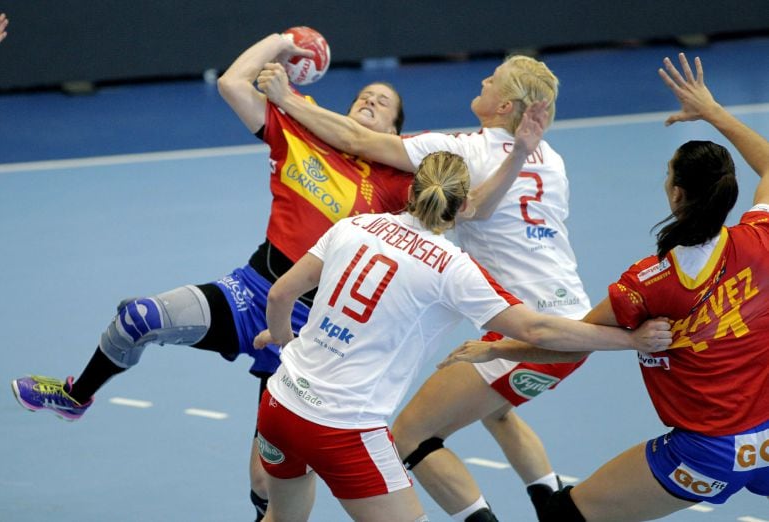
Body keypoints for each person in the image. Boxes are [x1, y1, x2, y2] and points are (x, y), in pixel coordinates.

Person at [10, 31, 415, 521]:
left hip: (307, 334)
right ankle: (76, 395)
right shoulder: (301, 130)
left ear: (396, 128)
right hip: (249, 292)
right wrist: (281, 39)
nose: (370, 100)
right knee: (138, 320)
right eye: (364, 96)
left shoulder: (395, 182)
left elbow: (451, 202)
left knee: (268, 483)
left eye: (383, 102)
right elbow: (231, 84)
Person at [250, 150, 672, 522]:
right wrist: (630, 341)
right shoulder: (452, 267)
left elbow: (281, 293)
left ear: (411, 189)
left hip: (279, 403)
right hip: (343, 427)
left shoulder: (354, 226)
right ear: (465, 204)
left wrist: (288, 341)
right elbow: (536, 328)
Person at [256, 54, 590, 520]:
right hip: (571, 309)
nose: (482, 78)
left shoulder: (462, 152)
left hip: (537, 330)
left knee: (414, 435)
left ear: (505, 105)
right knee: (491, 408)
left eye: (491, 80)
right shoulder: (550, 158)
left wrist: (285, 99)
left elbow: (357, 139)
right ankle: (548, 497)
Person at [438, 53, 769, 521]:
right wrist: (712, 110)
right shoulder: (761, 240)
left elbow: (569, 344)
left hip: (704, 454)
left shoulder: (649, 283)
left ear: (674, 194)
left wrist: (498, 350)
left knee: (564, 515)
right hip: (766, 440)